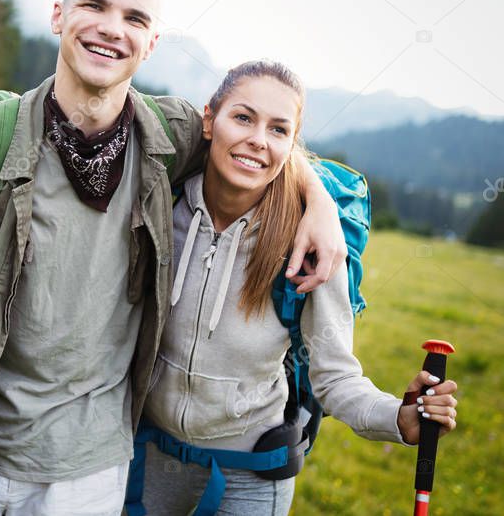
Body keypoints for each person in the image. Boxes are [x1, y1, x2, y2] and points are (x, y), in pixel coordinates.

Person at [0, 0, 348, 516]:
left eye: (134, 17)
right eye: (93, 6)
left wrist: (318, 201)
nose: (111, 27)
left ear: (151, 43)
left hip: (92, 468)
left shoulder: (170, 134)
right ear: (59, 14)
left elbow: (258, 143)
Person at [130, 60, 460, 515]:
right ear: (210, 119)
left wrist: (399, 419)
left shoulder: (312, 247)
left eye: (279, 129)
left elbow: (337, 377)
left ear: (291, 144)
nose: (258, 140)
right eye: (243, 118)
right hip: (150, 459)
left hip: (253, 475)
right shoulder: (159, 205)